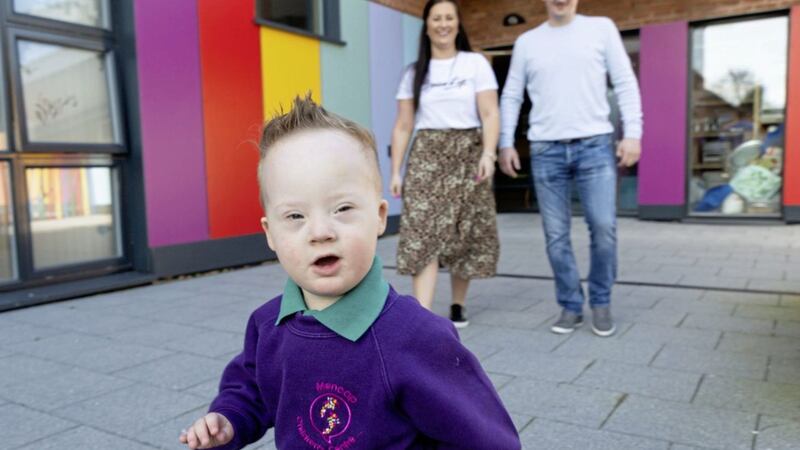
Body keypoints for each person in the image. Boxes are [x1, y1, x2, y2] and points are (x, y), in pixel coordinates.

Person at [178, 96, 520, 450]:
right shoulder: (267, 325)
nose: (320, 231)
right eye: (295, 216)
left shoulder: (417, 337)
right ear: (270, 234)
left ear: (380, 216)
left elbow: (489, 440)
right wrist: (228, 418)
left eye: (342, 208)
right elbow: (252, 387)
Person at [498, 0, 643, 337]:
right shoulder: (527, 42)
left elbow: (624, 82)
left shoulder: (601, 28)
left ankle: (602, 300)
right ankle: (571, 305)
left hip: (594, 144)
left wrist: (633, 134)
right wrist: (506, 141)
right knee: (556, 235)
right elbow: (512, 96)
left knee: (603, 227)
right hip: (546, 149)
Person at [390, 0, 500, 328]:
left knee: (465, 231)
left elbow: (490, 113)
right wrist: (396, 171)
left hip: (468, 153)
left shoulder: (475, 64)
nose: (443, 24)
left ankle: (457, 305)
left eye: (449, 18)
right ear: (426, 25)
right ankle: (422, 315)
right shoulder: (413, 73)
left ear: (457, 23)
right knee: (423, 230)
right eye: (436, 18)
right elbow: (403, 125)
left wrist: (489, 154)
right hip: (427, 155)